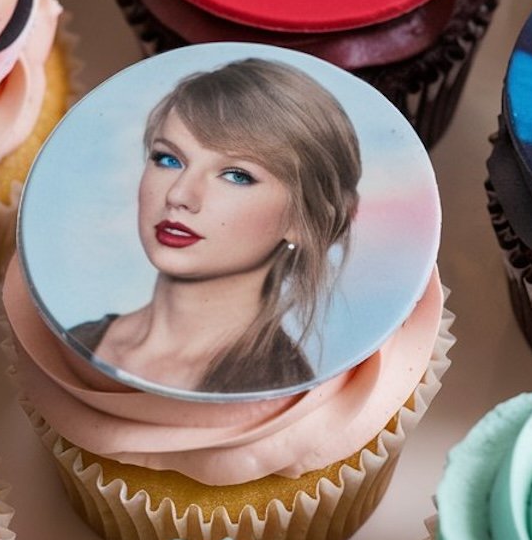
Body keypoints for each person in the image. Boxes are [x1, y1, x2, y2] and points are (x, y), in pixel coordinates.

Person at [68, 58, 362, 394]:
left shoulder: (277, 395)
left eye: (237, 175)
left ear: (302, 219)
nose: (179, 194)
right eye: (168, 159)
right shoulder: (77, 341)